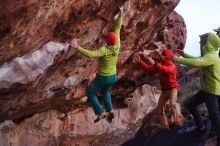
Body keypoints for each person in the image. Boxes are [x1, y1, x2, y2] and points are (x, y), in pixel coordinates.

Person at [70, 7, 123, 123]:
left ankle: (100, 112)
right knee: (105, 91)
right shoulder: (117, 45)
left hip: (103, 77)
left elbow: (91, 54)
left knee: (91, 92)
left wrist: (77, 47)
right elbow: (118, 28)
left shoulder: (104, 50)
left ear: (107, 41)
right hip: (113, 76)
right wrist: (121, 14)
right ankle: (110, 110)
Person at [173, 32, 220, 146]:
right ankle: (202, 126)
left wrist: (176, 59)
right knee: (190, 104)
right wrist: (184, 55)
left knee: (214, 116)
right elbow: (198, 59)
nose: (202, 42)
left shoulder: (212, 56)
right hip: (205, 90)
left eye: (204, 40)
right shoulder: (209, 55)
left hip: (211, 91)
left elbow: (197, 63)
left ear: (210, 42)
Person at [133, 49, 181, 129]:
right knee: (159, 109)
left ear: (167, 56)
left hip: (173, 89)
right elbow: (149, 68)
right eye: (162, 54)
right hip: (164, 90)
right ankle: (165, 127)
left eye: (163, 55)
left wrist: (155, 63)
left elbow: (166, 70)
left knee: (172, 104)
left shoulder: (172, 66)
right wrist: (140, 61)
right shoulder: (160, 65)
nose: (161, 56)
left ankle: (177, 123)